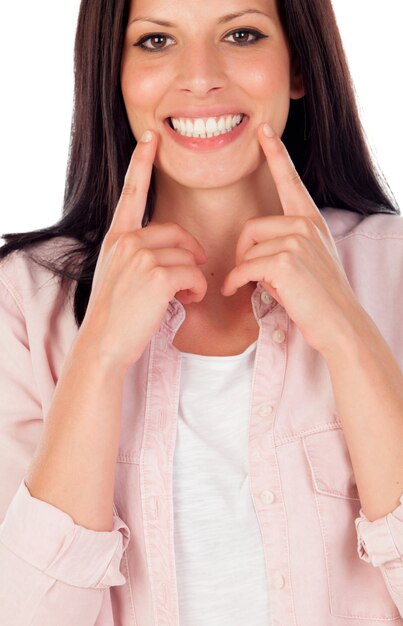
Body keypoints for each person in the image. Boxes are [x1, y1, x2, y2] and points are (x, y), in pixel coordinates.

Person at [0, 0, 402, 624]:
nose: (200, 74)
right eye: (156, 40)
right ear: (114, 74)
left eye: (242, 34)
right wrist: (99, 358)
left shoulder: (396, 268)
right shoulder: (22, 300)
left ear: (298, 66)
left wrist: (352, 339)